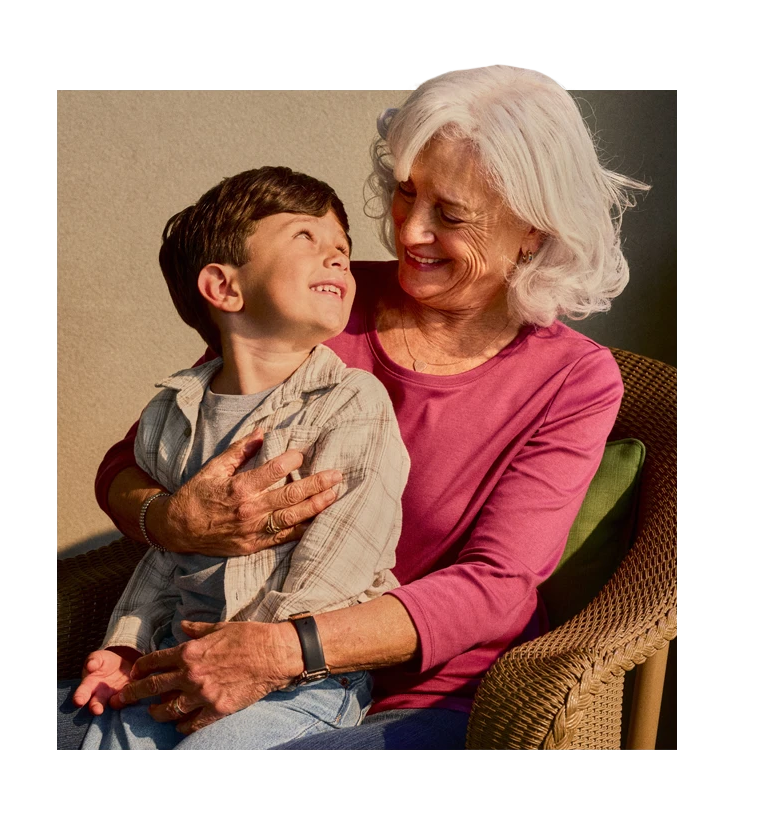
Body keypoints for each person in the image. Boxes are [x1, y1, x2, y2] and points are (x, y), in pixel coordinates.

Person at [59, 63, 649, 751]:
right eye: (406, 194)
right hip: (208, 656)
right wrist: (172, 518)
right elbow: (132, 462)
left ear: (533, 234)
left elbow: (495, 586)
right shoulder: (326, 297)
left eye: (450, 215)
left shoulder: (573, 379)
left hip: (432, 701)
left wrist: (278, 652)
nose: (409, 232)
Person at [72, 167, 410, 751]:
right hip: (179, 665)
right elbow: (167, 553)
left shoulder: (353, 401)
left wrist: (255, 657)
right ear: (224, 287)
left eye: (342, 249)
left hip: (303, 681)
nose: (336, 258)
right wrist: (125, 643)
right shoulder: (169, 414)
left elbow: (344, 556)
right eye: (307, 238)